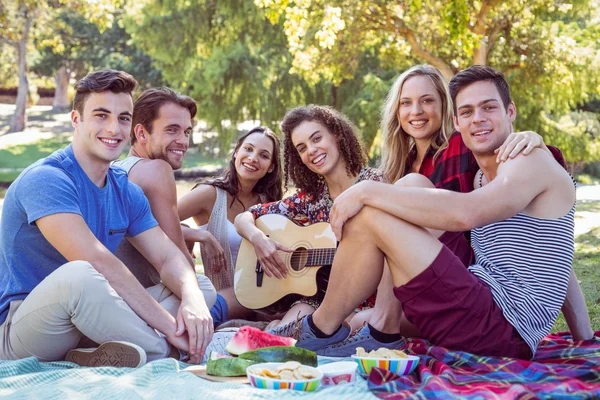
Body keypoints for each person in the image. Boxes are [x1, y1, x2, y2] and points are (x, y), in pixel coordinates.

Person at [269, 65, 581, 359]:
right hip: (473, 298)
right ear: (456, 121)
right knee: (411, 184)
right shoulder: (480, 177)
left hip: (501, 328)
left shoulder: (530, 160)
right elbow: (551, 249)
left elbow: (467, 214)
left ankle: (322, 328)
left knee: (376, 208)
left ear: (510, 111)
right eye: (468, 112)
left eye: (489, 107)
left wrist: (367, 190)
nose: (478, 119)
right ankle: (373, 329)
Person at [0, 70, 210, 367]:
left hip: (89, 318)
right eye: (101, 115)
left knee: (199, 287)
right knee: (81, 275)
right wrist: (170, 327)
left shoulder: (124, 189)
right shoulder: (47, 179)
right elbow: (98, 262)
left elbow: (167, 258)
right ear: (76, 120)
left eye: (123, 118)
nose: (114, 128)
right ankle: (170, 354)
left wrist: (193, 300)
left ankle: (103, 351)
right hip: (23, 327)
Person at [235, 105, 383, 329]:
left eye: (316, 139)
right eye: (302, 148)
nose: (311, 151)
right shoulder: (310, 200)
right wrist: (259, 240)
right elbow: (244, 218)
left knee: (342, 330)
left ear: (337, 134)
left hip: (371, 301)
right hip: (319, 299)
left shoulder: (377, 184)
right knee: (285, 335)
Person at [111, 86, 217, 345]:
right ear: (141, 132)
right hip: (131, 302)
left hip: (109, 298)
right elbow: (179, 260)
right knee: (202, 289)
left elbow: (147, 229)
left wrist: (195, 233)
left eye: (186, 131)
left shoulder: (117, 168)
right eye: (172, 130)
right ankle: (140, 342)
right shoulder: (157, 169)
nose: (183, 140)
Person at [177, 126, 283, 328]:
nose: (253, 158)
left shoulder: (268, 202)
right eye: (248, 149)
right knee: (201, 318)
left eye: (263, 155)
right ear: (236, 152)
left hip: (266, 298)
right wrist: (200, 236)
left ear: (270, 167)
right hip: (224, 298)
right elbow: (153, 223)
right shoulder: (210, 194)